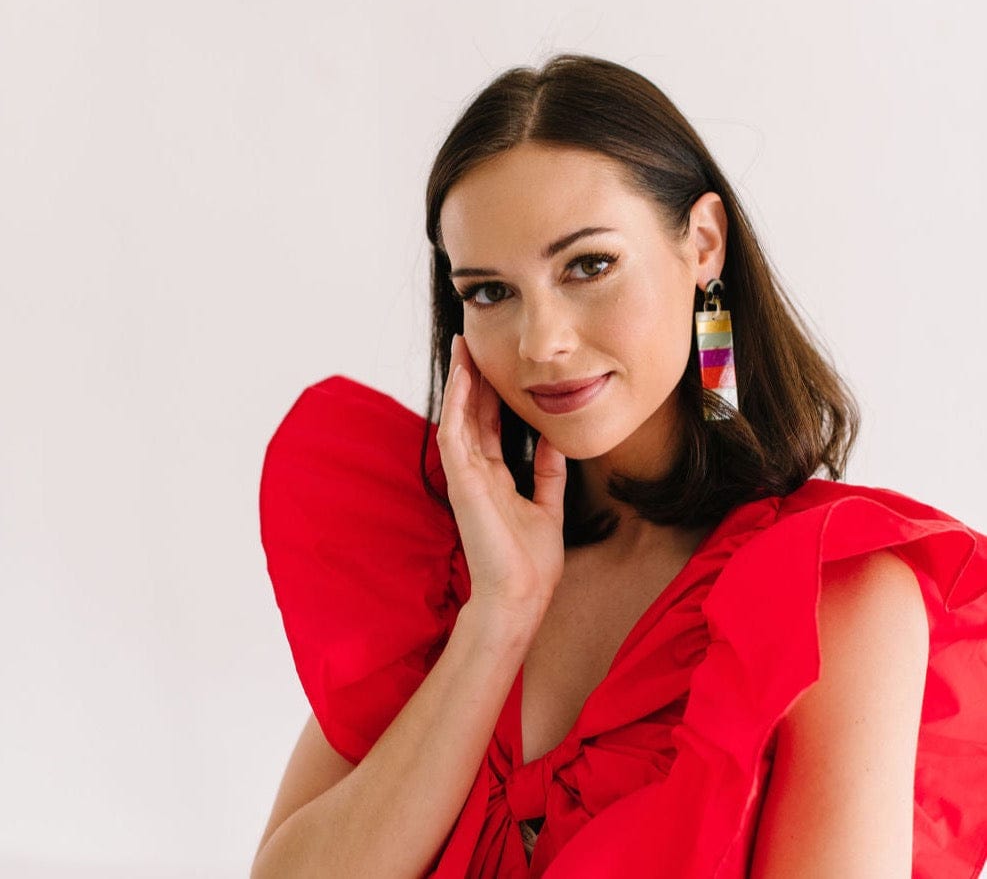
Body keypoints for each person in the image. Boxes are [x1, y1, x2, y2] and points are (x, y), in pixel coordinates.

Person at [250, 55, 987, 878]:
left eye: (587, 266)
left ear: (701, 243)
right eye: (491, 292)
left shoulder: (835, 598)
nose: (542, 342)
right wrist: (498, 615)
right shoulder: (438, 567)